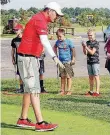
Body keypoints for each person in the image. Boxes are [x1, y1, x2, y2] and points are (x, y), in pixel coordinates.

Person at [16, 2, 65, 131]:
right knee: (34, 89)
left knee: (29, 89)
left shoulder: (40, 19)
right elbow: (45, 41)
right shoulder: (40, 20)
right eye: (57, 14)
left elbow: (39, 41)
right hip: (27, 58)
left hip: (29, 58)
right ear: (50, 11)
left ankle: (23, 119)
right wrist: (55, 57)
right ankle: (40, 123)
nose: (57, 17)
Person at [53, 28, 76, 96]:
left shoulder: (68, 41)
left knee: (68, 76)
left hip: (68, 61)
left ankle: (68, 90)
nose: (59, 38)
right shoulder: (57, 42)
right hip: (61, 62)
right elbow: (54, 47)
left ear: (64, 35)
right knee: (62, 76)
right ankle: (62, 90)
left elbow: (73, 50)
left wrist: (73, 59)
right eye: (58, 36)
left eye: (60, 36)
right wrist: (55, 56)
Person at [82, 29, 100, 97]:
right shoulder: (87, 42)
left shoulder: (96, 43)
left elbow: (92, 52)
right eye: (88, 35)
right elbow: (85, 53)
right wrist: (83, 47)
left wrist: (86, 47)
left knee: (96, 76)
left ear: (94, 35)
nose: (90, 37)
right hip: (89, 61)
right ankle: (91, 91)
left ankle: (97, 91)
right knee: (90, 77)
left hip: (95, 62)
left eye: (91, 35)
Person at [11, 28, 24, 93]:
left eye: (17, 30)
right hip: (18, 58)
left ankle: (27, 87)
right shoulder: (14, 40)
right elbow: (13, 50)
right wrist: (13, 58)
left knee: (26, 73)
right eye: (15, 30)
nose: (15, 31)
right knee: (20, 73)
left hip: (25, 58)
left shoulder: (25, 38)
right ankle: (21, 88)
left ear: (21, 30)